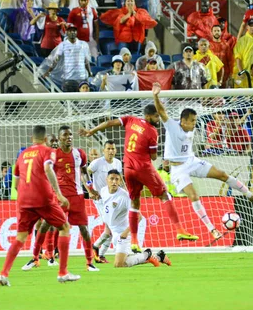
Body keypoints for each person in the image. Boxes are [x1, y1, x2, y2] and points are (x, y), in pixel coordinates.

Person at [152, 83, 253, 240]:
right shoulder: (172, 126)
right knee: (194, 196)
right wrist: (156, 96)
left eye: (195, 120)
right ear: (183, 121)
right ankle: (212, 229)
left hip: (192, 161)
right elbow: (161, 112)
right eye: (192, 121)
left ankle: (249, 194)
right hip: (178, 169)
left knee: (222, 174)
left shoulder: (191, 129)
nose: (194, 123)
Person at [80, 104, 199, 252]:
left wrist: (92, 130)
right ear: (148, 116)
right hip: (143, 168)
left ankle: (135, 241)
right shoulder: (152, 132)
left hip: (128, 169)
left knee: (134, 203)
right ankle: (180, 230)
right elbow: (154, 156)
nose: (158, 119)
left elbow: (110, 123)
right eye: (156, 116)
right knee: (165, 195)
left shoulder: (130, 120)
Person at [0, 125, 80, 286]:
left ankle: (3, 273)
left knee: (21, 237)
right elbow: (48, 168)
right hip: (42, 197)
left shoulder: (22, 155)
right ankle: (63, 272)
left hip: (23, 200)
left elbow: (15, 184)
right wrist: (58, 193)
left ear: (31, 139)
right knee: (64, 227)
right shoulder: (47, 151)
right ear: (44, 139)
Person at [23, 126, 99, 272]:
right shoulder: (53, 155)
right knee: (46, 224)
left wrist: (90, 187)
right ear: (59, 138)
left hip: (77, 197)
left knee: (84, 228)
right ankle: (35, 257)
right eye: (65, 135)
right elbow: (45, 173)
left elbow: (84, 172)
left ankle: (89, 262)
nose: (69, 137)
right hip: (59, 197)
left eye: (70, 134)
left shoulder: (79, 154)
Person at [100, 170, 170, 267]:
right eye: (112, 179)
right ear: (106, 179)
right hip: (115, 232)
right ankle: (159, 257)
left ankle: (147, 254)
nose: (114, 182)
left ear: (120, 181)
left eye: (117, 179)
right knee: (124, 261)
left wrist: (126, 232)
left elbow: (138, 216)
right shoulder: (103, 191)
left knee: (119, 264)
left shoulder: (124, 197)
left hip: (124, 232)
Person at [87, 141, 123, 263]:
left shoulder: (118, 163)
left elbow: (120, 180)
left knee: (111, 228)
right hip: (100, 200)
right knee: (110, 227)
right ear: (104, 150)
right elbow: (85, 173)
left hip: (114, 200)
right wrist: (90, 191)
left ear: (116, 150)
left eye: (113, 148)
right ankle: (97, 249)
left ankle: (99, 253)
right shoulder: (97, 163)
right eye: (108, 148)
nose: (111, 151)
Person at [44, 24, 92, 92]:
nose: (72, 32)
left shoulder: (83, 44)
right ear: (67, 32)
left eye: (74, 31)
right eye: (70, 31)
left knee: (82, 100)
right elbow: (56, 59)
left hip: (82, 78)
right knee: (70, 99)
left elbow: (86, 61)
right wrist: (49, 71)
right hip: (69, 78)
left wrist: (90, 73)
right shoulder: (63, 45)